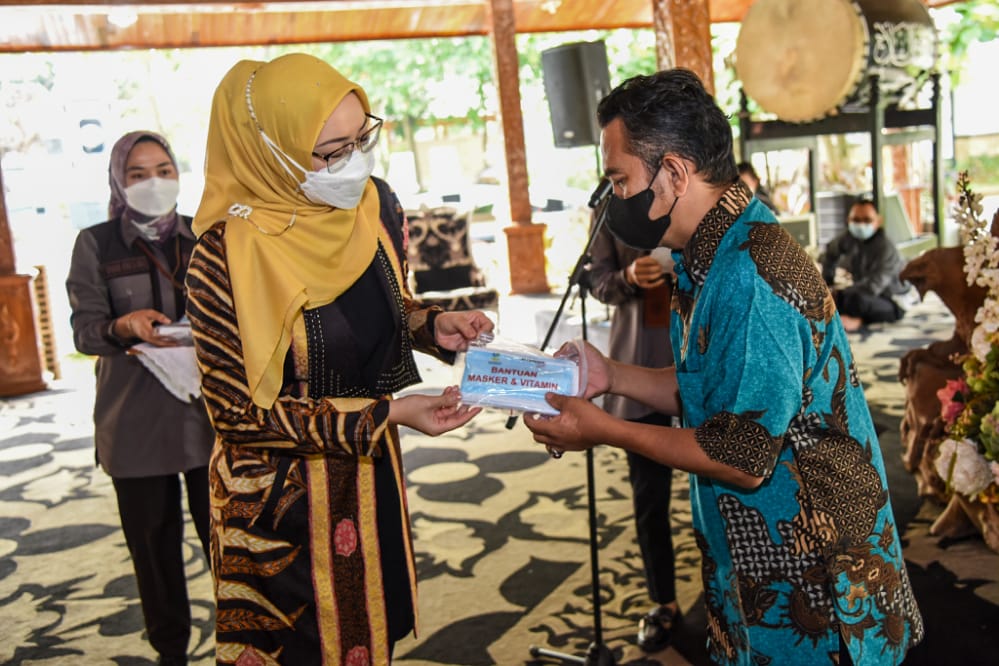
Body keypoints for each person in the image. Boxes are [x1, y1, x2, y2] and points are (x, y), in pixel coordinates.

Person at [524, 69, 923, 665]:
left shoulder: (748, 274)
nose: (611, 201)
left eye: (619, 180)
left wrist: (603, 429)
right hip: (763, 552)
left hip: (818, 577)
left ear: (675, 173)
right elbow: (715, 388)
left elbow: (739, 455)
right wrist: (611, 375)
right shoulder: (714, 249)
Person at [185, 53, 494, 664]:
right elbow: (238, 415)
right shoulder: (223, 257)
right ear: (270, 151)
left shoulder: (368, 212)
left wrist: (433, 324)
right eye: (330, 152)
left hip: (366, 481)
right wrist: (388, 415)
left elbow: (380, 309)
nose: (353, 162)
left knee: (369, 634)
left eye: (361, 140)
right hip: (281, 509)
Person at [66, 130, 212, 666]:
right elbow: (84, 333)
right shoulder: (96, 244)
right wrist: (124, 324)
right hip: (135, 421)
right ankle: (171, 650)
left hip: (208, 419)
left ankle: (247, 643)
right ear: (118, 182)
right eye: (138, 174)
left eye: (164, 170)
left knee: (230, 544)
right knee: (154, 551)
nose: (155, 182)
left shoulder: (205, 235)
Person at [587, 224, 679, 652]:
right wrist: (627, 277)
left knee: (726, 484)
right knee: (650, 496)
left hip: (703, 346)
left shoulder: (694, 189)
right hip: (640, 354)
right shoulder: (611, 208)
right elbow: (597, 280)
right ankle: (664, 601)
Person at [820, 197, 910, 332]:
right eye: (856, 220)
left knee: (855, 299)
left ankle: (858, 321)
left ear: (878, 221)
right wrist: (828, 283)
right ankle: (843, 316)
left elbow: (874, 286)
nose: (861, 225)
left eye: (867, 220)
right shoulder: (848, 238)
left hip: (891, 298)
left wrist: (840, 293)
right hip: (862, 291)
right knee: (831, 298)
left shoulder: (886, 247)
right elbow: (829, 254)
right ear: (848, 220)